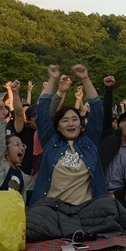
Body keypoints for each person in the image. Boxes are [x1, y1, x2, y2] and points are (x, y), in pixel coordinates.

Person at [30, 64, 105, 206]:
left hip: (85, 209)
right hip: (52, 209)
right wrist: (52, 79)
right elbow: (42, 111)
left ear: (81, 124)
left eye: (75, 119)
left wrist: (85, 78)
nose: (71, 124)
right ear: (57, 127)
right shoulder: (50, 140)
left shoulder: (89, 141)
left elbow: (96, 109)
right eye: (65, 120)